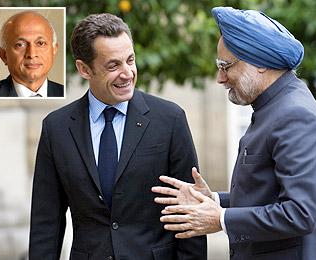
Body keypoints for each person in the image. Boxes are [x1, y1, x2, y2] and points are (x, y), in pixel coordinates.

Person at [152, 6, 316, 260]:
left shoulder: (295, 115)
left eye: (225, 66)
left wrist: (220, 219)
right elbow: (267, 193)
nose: (220, 78)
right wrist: (215, 201)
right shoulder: (273, 105)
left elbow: (299, 214)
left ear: (261, 63)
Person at [28, 13, 207, 259]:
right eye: (113, 65)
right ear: (84, 69)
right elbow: (46, 222)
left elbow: (189, 214)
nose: (127, 74)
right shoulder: (56, 128)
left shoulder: (170, 119)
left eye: (130, 60)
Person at [0, 11, 64, 97]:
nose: (32, 54)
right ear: (3, 55)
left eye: (40, 43)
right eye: (20, 45)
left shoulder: (63, 93)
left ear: (54, 50)